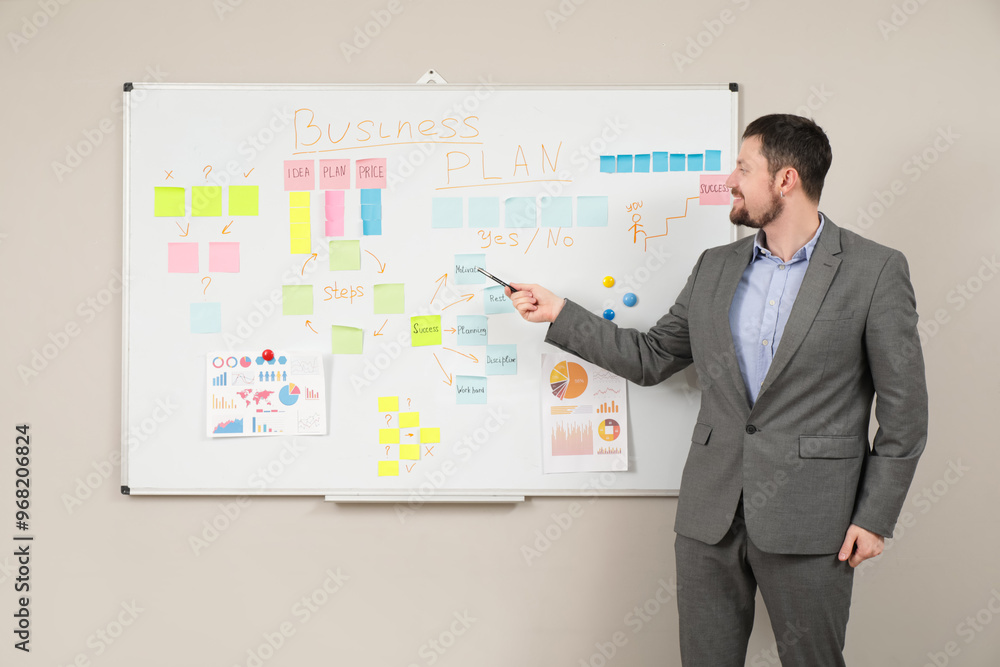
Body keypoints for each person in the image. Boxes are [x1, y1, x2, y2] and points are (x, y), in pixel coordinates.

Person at [507, 114, 928, 666]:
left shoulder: (874, 271)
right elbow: (652, 357)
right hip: (710, 516)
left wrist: (874, 517)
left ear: (786, 180)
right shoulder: (716, 267)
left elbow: (905, 413)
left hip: (813, 518)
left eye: (743, 167)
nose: (729, 179)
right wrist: (560, 313)